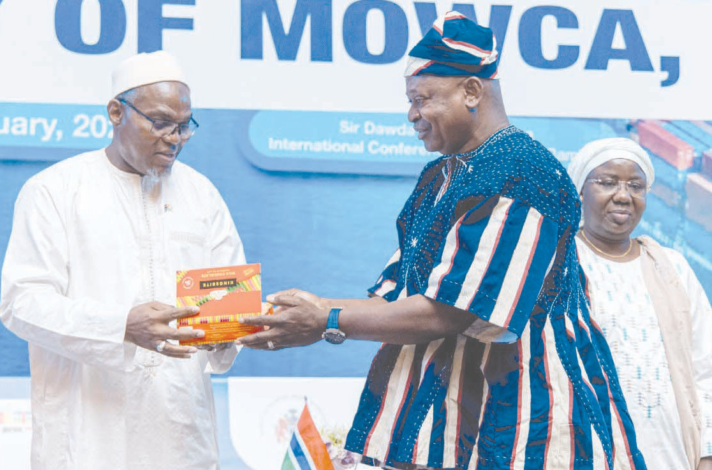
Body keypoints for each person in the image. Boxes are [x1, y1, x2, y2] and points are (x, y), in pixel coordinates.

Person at [237, 12, 646, 470]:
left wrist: (325, 319)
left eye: (422, 99)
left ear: (472, 91)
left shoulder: (523, 173)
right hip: (446, 427)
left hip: (530, 426)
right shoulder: (441, 176)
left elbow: (453, 310)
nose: (412, 114)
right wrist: (289, 313)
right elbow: (403, 299)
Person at [0, 51, 244, 470]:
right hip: (88, 437)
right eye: (162, 122)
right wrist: (121, 327)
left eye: (185, 127)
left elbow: (227, 302)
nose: (175, 137)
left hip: (181, 436)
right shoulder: (55, 190)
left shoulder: (202, 196)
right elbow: (21, 303)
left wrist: (229, 330)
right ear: (116, 112)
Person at [568, 137, 712, 470]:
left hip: (672, 453)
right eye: (606, 183)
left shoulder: (672, 267)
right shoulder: (558, 262)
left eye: (636, 185)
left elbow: (706, 368)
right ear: (580, 190)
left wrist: (706, 454)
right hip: (585, 453)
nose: (623, 195)